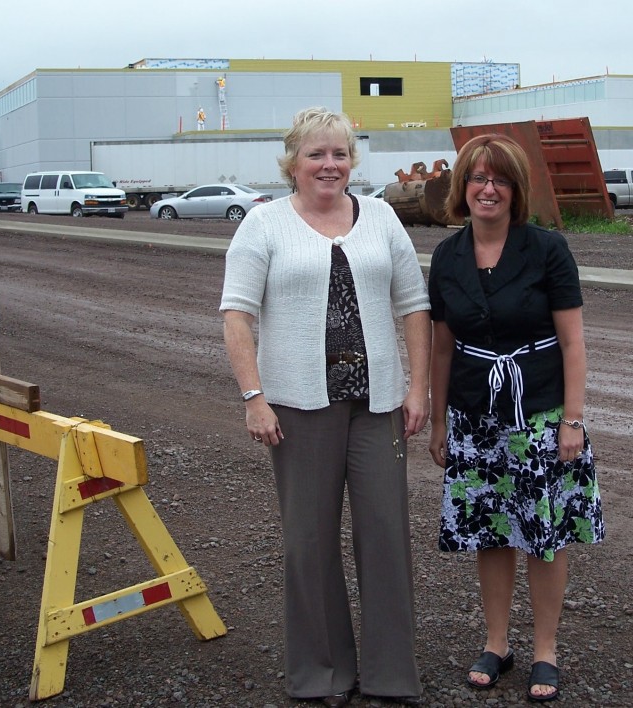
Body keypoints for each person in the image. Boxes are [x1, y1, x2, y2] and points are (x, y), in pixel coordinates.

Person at [220, 107, 431, 707]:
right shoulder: (263, 227)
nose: (329, 165)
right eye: (316, 154)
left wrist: (417, 390)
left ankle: (392, 675)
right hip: (298, 406)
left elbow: (414, 305)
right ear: (293, 162)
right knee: (308, 543)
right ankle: (322, 674)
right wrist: (254, 397)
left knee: (386, 537)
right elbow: (237, 314)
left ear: (351, 161)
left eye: (339, 154)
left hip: (377, 404)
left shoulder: (383, 217)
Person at [427, 133, 605, 702]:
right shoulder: (447, 256)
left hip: (541, 418)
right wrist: (437, 423)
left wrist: (572, 421)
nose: (488, 188)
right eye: (477, 178)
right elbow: (440, 348)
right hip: (475, 417)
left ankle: (545, 650)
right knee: (491, 532)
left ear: (516, 189)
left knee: (544, 536)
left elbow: (573, 342)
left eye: (499, 178)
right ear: (463, 187)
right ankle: (498, 642)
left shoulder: (547, 250)